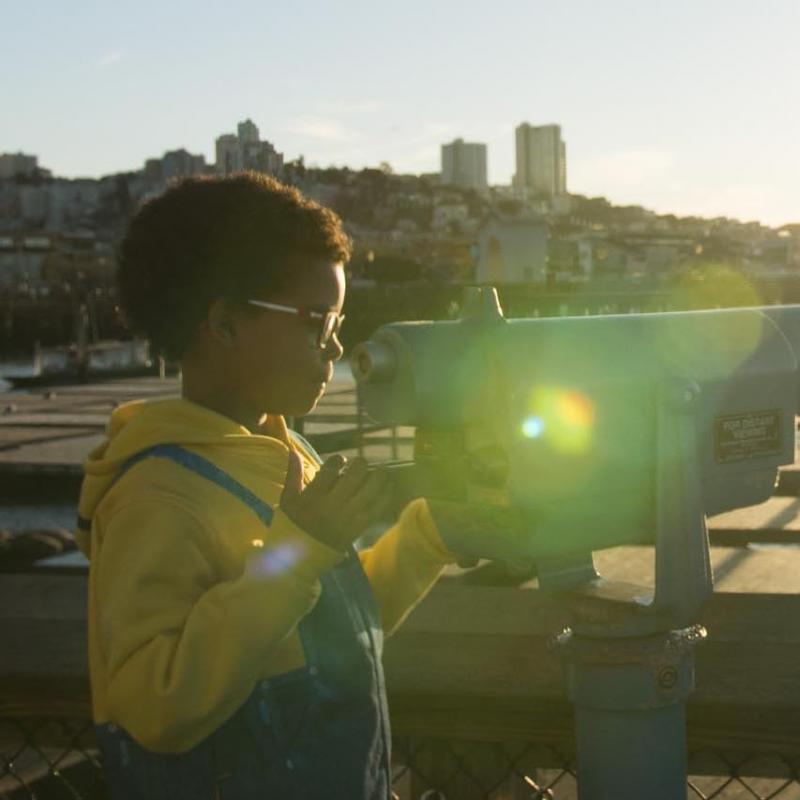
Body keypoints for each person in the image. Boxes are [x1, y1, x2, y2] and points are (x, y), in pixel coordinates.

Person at [75, 173, 458, 799]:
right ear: (224, 323)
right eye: (318, 322)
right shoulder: (157, 497)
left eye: (338, 322)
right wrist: (302, 550)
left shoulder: (288, 453)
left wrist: (429, 535)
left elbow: (328, 631)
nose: (335, 347)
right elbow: (153, 707)